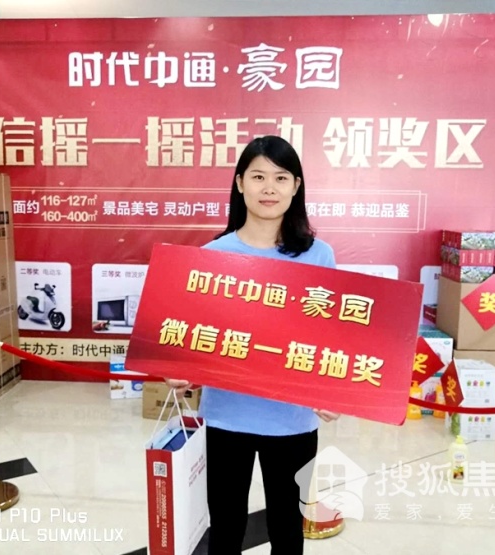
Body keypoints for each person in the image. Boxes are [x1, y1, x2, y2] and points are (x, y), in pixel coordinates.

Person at [166, 135, 340, 555]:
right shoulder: (212, 255)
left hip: (293, 420)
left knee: (288, 530)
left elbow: (330, 337)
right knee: (225, 529)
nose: (269, 188)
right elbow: (194, 335)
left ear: (296, 186)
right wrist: (178, 369)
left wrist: (335, 388)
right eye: (258, 177)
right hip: (227, 416)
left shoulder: (319, 256)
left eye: (280, 178)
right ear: (240, 183)